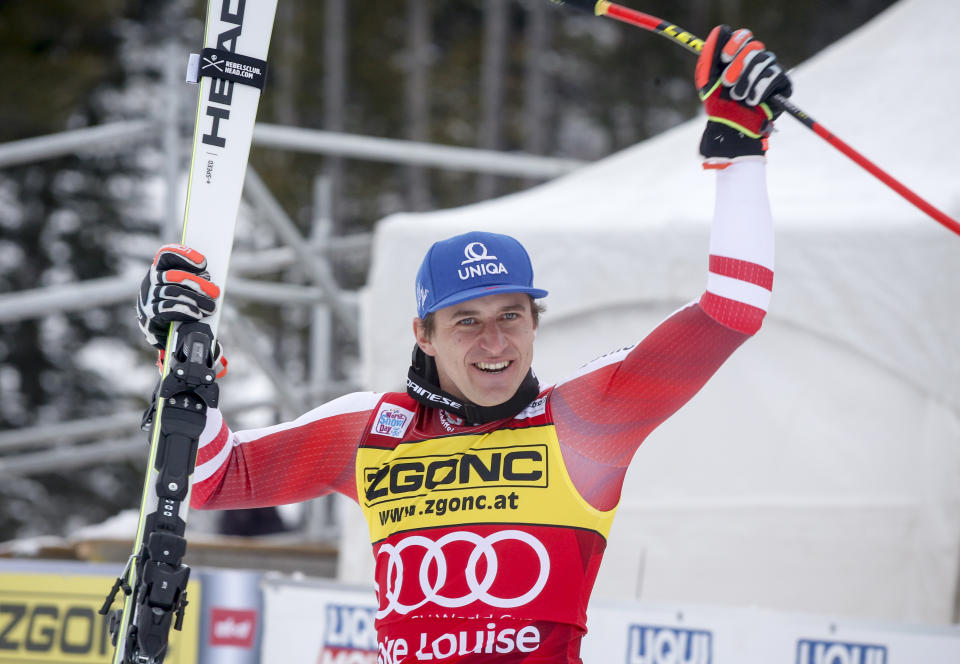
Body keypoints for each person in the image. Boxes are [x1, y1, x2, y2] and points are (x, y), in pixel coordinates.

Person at [136, 25, 791, 664]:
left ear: (536, 323)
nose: (495, 341)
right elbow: (211, 480)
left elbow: (732, 311)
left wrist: (738, 151)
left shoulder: (587, 420)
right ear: (423, 333)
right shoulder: (373, 432)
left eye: (511, 315)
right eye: (467, 321)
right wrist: (185, 358)